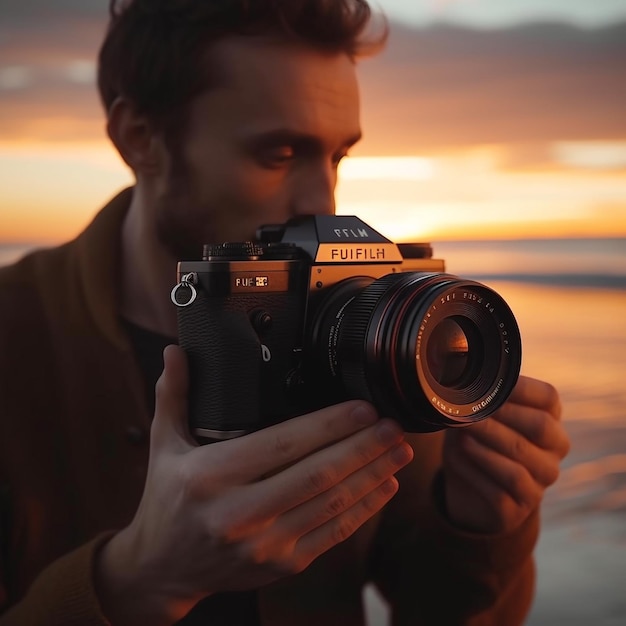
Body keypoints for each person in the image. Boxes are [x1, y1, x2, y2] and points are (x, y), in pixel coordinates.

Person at [0, 1, 570, 624]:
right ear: (140, 138)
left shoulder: (369, 330)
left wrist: (480, 524)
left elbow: (437, 606)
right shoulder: (18, 331)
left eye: (337, 157)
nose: (320, 199)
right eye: (277, 155)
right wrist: (139, 580)